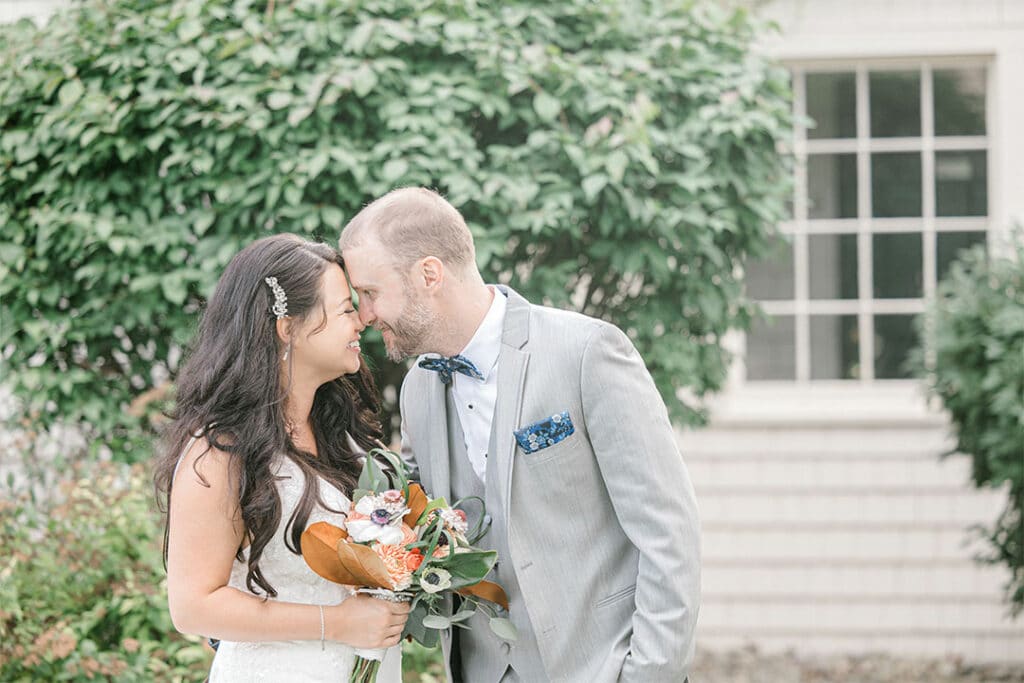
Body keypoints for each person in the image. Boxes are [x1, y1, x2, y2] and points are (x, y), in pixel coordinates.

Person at [339, 188, 700, 683]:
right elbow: (416, 524)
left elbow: (667, 531)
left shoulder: (587, 352)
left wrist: (648, 673)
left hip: (601, 666)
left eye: (371, 293)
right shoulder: (419, 387)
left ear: (429, 274)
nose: (365, 314)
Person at [154, 234, 409, 682]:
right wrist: (339, 623)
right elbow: (193, 606)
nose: (361, 322)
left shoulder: (344, 438)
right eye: (347, 309)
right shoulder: (220, 451)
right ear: (286, 327)